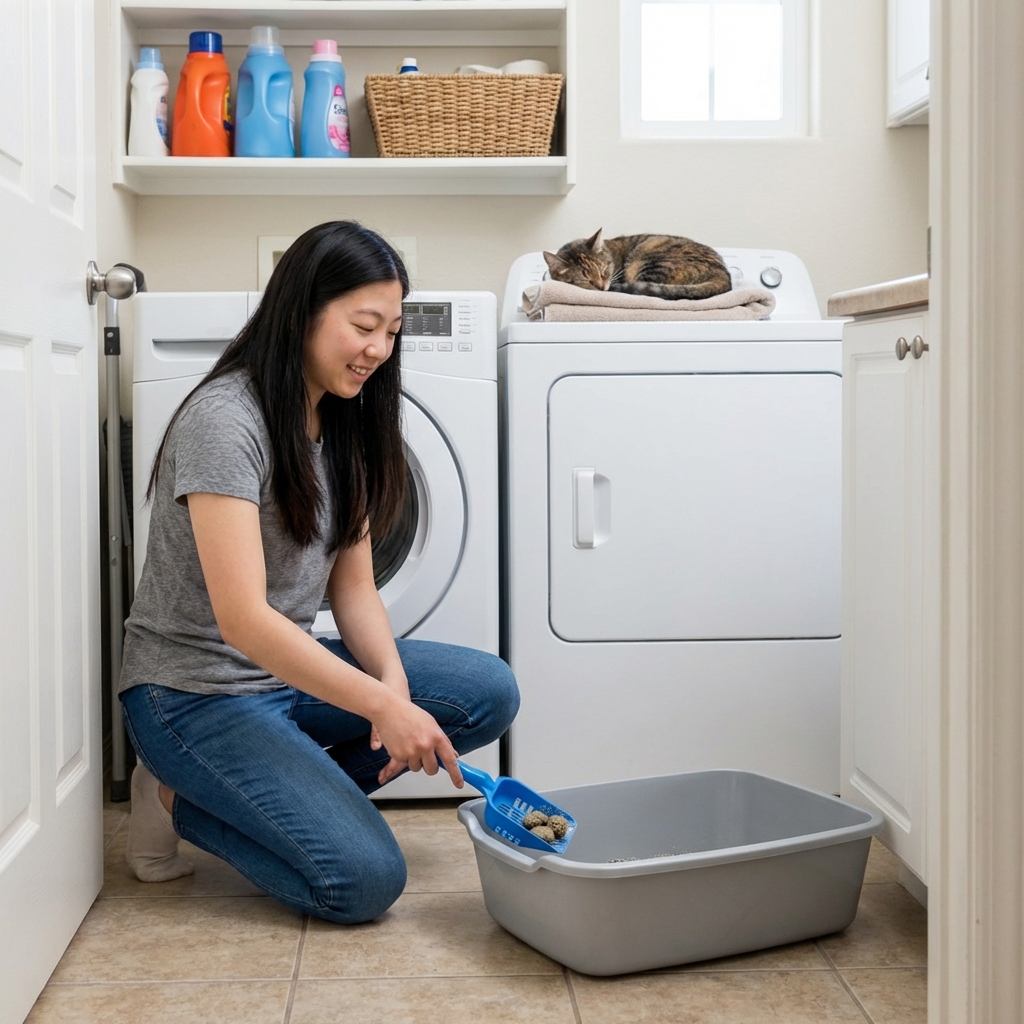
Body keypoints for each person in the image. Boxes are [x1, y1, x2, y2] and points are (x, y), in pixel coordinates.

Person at [118, 221, 519, 924]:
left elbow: (354, 589)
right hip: (191, 693)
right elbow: (243, 620)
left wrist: (392, 688)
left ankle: (280, 777)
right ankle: (176, 794)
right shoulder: (225, 420)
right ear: (302, 311)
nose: (378, 349)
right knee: (361, 882)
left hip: (282, 680)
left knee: (487, 691)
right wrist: (383, 709)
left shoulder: (346, 425)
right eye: (364, 325)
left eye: (392, 331)